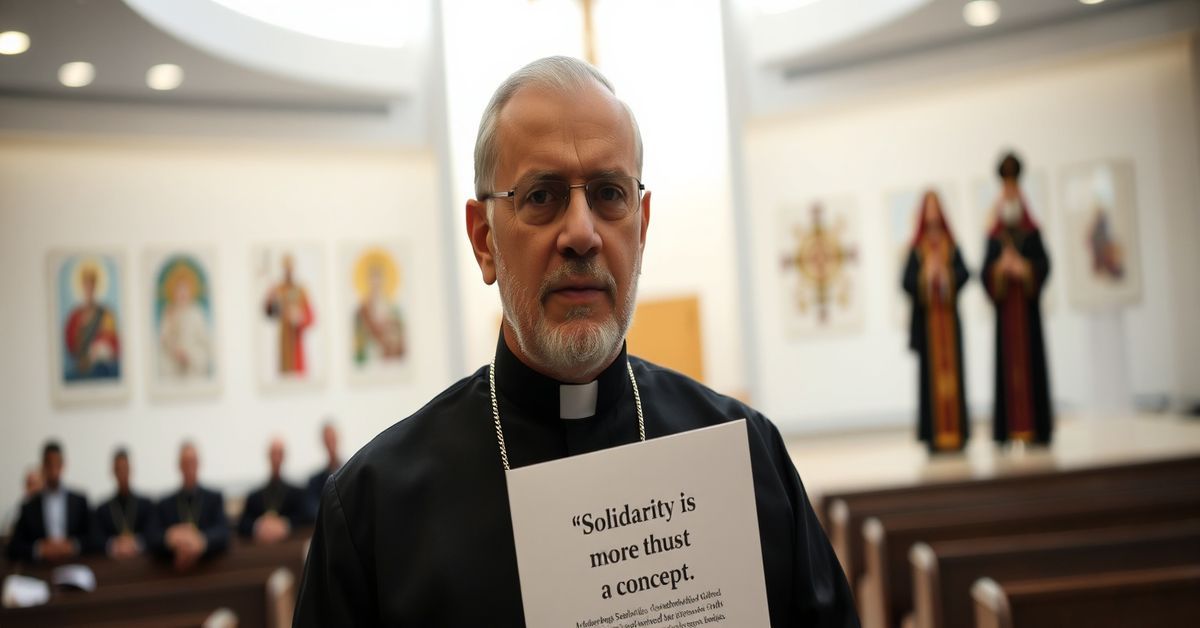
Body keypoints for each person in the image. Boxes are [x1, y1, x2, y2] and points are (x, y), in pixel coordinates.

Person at [295, 56, 858, 627]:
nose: (582, 234)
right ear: (484, 239)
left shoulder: (748, 459)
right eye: (542, 196)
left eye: (610, 193)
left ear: (641, 226)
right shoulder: (373, 511)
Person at [982, 152, 1054, 445]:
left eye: (1014, 187)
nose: (1010, 192)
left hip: (1028, 314)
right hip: (1005, 316)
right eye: (1006, 188)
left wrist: (1024, 269)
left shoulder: (1031, 233)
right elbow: (984, 272)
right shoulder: (994, 236)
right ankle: (1006, 431)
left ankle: (1037, 430)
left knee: (1032, 367)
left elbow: (1045, 266)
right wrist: (1000, 269)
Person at [902, 191, 971, 453]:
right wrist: (925, 276)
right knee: (930, 381)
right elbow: (906, 282)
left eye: (935, 207)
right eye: (928, 208)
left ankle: (957, 434)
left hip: (949, 326)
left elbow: (965, 273)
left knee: (955, 379)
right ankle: (933, 436)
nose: (932, 214)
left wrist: (946, 275)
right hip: (927, 328)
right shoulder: (917, 249)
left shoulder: (950, 246)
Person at [6, 441, 91, 563]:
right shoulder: (29, 506)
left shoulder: (79, 502)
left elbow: (94, 538)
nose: (53, 470)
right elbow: (14, 547)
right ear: (43, 466)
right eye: (49, 464)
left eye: (57, 464)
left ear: (63, 465)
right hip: (41, 568)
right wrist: (40, 548)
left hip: (73, 564)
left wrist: (72, 545)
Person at [155, 441, 229, 570]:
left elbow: (224, 532)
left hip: (208, 571)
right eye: (185, 463)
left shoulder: (214, 499)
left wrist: (201, 541)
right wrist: (171, 537)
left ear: (199, 464)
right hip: (173, 573)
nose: (189, 467)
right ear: (179, 466)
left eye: (192, 462)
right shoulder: (165, 504)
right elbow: (151, 536)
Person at [238, 437, 311, 543]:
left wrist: (285, 525)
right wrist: (258, 526)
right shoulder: (254, 497)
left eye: (279, 454)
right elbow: (243, 524)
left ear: (284, 457)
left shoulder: (297, 494)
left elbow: (307, 518)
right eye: (273, 454)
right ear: (268, 456)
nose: (276, 458)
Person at [92, 447, 159, 558]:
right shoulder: (102, 509)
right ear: (113, 471)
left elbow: (153, 534)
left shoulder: (146, 505)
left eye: (125, 468)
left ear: (131, 470)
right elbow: (96, 539)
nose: (122, 473)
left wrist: (135, 543)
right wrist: (114, 545)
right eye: (119, 469)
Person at [63, 264, 120, 380]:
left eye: (91, 285)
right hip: (79, 368)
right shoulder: (75, 316)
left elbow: (113, 343)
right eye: (86, 285)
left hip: (101, 368)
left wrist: (99, 350)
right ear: (82, 287)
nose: (89, 289)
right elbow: (70, 344)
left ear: (95, 287)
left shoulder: (106, 314)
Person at [264, 254, 314, 375]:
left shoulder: (301, 290)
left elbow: (310, 317)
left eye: (290, 266)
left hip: (297, 340)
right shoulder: (278, 289)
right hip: (284, 338)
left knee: (298, 373)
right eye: (286, 266)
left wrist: (299, 318)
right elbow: (271, 313)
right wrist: (270, 299)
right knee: (284, 373)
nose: (288, 269)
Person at [304, 422, 341, 520]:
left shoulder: (351, 472)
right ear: (324, 443)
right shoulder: (315, 481)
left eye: (332, 439)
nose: (331, 444)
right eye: (328, 440)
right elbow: (311, 508)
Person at [2, 467, 42, 538]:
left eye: (36, 484)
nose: (33, 488)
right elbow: (7, 535)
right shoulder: (15, 511)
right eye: (30, 484)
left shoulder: (48, 509)